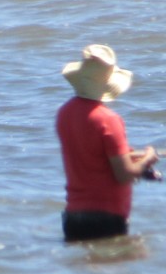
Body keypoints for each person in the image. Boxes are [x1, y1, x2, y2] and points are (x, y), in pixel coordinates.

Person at [56, 44, 159, 242]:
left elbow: (92, 156)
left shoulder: (64, 113)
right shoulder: (108, 119)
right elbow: (124, 174)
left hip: (73, 216)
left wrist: (131, 157)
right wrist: (147, 159)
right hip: (106, 217)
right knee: (124, 266)